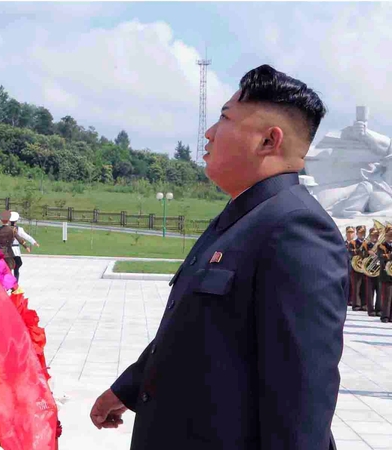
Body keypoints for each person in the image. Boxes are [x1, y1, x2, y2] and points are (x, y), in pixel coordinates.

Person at [91, 65, 346, 450]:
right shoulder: (242, 217)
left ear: (268, 141)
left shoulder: (296, 229)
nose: (209, 133)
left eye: (225, 118)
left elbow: (302, 395)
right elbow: (197, 328)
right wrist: (127, 388)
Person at [9, 211, 39, 281]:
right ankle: (15, 284)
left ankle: (9, 283)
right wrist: (33, 242)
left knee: (9, 267)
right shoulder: (19, 229)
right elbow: (26, 237)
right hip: (15, 250)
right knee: (17, 266)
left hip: (7, 250)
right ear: (16, 221)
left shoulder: (4, 228)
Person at [360, 227, 382, 316]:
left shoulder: (381, 245)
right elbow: (361, 254)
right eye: (373, 235)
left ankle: (379, 309)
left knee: (379, 291)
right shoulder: (366, 244)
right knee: (370, 291)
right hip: (369, 271)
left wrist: (378, 256)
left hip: (379, 271)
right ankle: (370, 310)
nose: (375, 237)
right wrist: (368, 253)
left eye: (376, 235)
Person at [378, 225, 392, 323]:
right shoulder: (381, 246)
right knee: (387, 297)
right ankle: (385, 316)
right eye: (389, 236)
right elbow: (381, 257)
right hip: (386, 274)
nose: (390, 238)